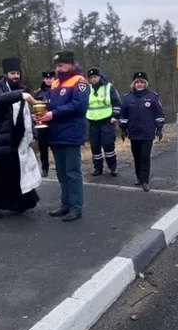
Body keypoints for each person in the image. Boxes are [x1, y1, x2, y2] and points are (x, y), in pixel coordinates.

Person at [0, 57, 42, 217]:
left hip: (17, 138)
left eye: (17, 73)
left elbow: (28, 116)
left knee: (16, 172)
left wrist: (34, 135)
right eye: (12, 73)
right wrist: (21, 95)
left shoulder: (22, 89)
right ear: (5, 74)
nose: (15, 76)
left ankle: (18, 203)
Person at [35, 50, 90, 222]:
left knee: (73, 172)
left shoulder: (80, 82)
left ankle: (76, 208)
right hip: (56, 134)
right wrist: (41, 111)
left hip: (71, 133)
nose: (60, 68)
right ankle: (65, 205)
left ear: (73, 64)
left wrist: (53, 114)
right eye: (58, 65)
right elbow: (49, 103)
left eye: (63, 64)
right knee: (61, 172)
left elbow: (78, 106)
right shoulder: (55, 83)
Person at [119, 71, 165, 192]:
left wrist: (159, 128)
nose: (139, 84)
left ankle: (145, 181)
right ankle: (139, 177)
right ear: (133, 84)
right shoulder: (127, 98)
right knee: (137, 156)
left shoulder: (152, 97)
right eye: (137, 82)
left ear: (145, 84)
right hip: (134, 132)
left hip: (147, 132)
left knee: (145, 157)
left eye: (142, 82)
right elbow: (123, 115)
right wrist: (123, 129)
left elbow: (159, 114)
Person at [86, 67, 121, 177]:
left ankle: (113, 167)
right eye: (91, 78)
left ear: (100, 77)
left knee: (108, 145)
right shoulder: (87, 89)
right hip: (93, 121)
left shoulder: (109, 87)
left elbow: (117, 102)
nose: (93, 79)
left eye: (95, 77)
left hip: (107, 120)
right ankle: (98, 168)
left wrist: (115, 116)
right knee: (95, 147)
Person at [33, 70, 55, 177]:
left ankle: (59, 166)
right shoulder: (38, 93)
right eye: (47, 78)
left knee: (56, 146)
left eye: (51, 78)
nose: (49, 80)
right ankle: (44, 168)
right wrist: (35, 119)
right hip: (42, 125)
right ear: (44, 79)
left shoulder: (58, 90)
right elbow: (33, 109)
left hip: (55, 123)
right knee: (43, 148)